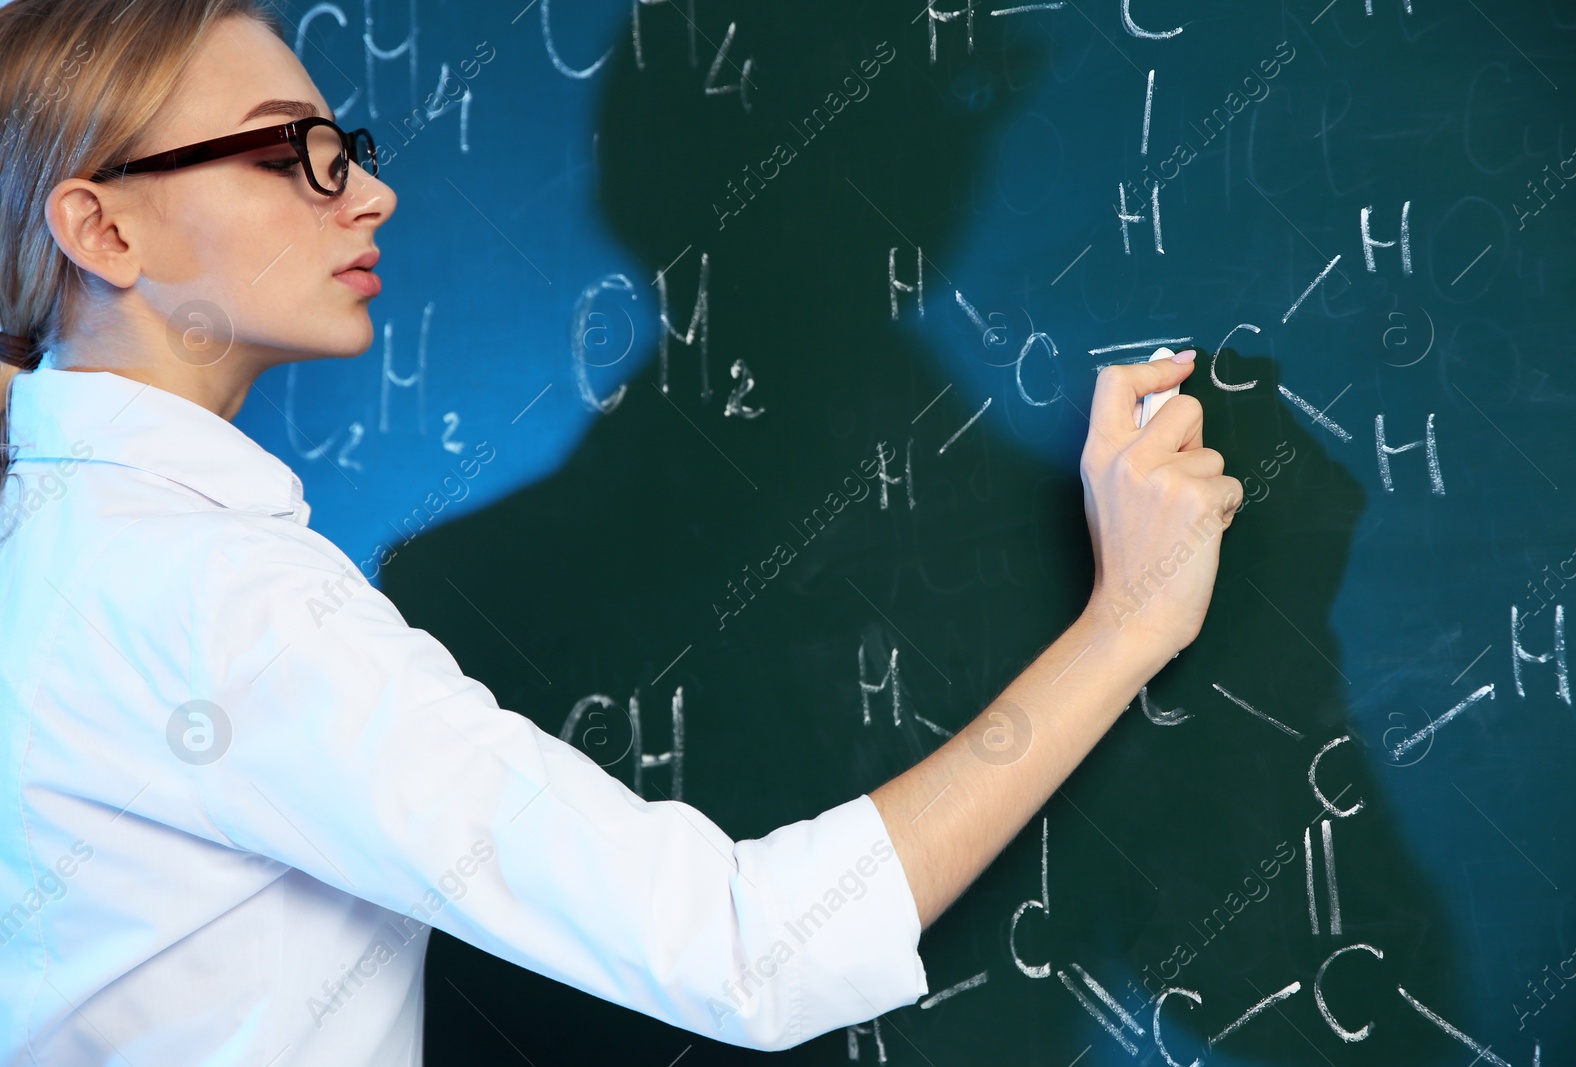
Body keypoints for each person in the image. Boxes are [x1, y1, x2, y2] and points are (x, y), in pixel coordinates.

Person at [0, 0, 1242, 1062]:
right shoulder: (219, 600)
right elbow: (747, 951)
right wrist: (1128, 619)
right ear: (103, 229)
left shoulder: (59, 542)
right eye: (296, 154)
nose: (369, 192)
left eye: (350, 147)